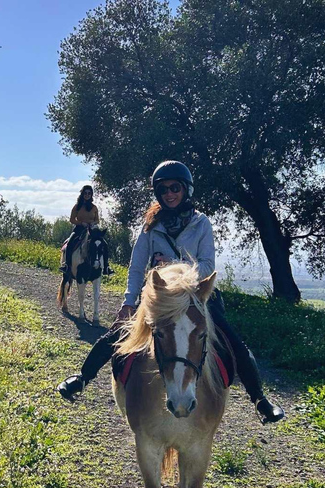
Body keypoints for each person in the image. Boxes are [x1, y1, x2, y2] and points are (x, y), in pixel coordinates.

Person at [57, 161, 285, 424]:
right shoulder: (150, 226)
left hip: (195, 296)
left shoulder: (201, 224)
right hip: (160, 297)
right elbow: (136, 267)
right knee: (117, 333)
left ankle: (259, 400)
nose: (169, 193)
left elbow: (208, 264)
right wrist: (129, 301)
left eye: (174, 187)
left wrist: (178, 273)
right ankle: (83, 378)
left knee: (233, 341)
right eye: (163, 189)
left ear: (186, 189)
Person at [59, 185, 114, 276]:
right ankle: (67, 265)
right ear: (82, 194)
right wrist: (81, 223)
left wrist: (93, 223)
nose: (87, 195)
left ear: (91, 195)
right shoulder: (77, 207)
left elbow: (97, 220)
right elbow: (72, 219)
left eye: (89, 193)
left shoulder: (94, 207)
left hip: (92, 229)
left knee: (104, 243)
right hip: (79, 228)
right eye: (85, 193)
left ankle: (106, 267)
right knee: (70, 243)